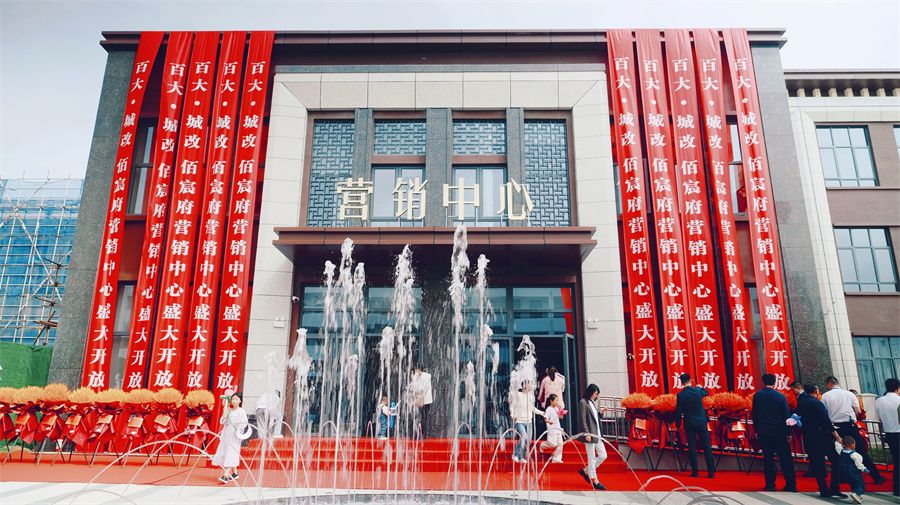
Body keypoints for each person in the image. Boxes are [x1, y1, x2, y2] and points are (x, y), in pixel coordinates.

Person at [822, 376, 885, 484]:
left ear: (829, 384)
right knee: (861, 451)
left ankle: (841, 478)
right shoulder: (849, 394)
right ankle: (876, 476)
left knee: (838, 452)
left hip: (835, 427)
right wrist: (852, 417)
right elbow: (858, 410)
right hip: (850, 425)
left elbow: (825, 413)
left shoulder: (825, 396)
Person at [792, 381, 843, 498]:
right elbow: (826, 421)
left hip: (809, 435)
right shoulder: (817, 403)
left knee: (817, 463)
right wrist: (836, 436)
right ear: (816, 391)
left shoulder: (801, 403)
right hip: (822, 435)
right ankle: (834, 487)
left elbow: (796, 417)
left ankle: (823, 489)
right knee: (836, 460)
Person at [751, 374, 797, 491]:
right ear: (775, 382)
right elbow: (786, 415)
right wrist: (789, 432)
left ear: (763, 382)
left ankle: (770, 485)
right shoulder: (780, 396)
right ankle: (791, 484)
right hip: (780, 431)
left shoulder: (757, 396)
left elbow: (755, 415)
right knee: (785, 459)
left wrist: (757, 430)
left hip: (764, 431)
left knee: (768, 459)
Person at [675, 373, 714, 478]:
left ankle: (695, 472)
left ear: (681, 383)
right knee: (706, 446)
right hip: (701, 422)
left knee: (692, 447)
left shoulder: (681, 395)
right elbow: (706, 392)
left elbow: (679, 412)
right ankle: (711, 472)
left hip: (689, 423)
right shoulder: (697, 390)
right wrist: (700, 387)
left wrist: (677, 424)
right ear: (691, 380)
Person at [212, 391, 250, 484]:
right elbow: (223, 422)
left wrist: (237, 425)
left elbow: (244, 423)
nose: (234, 401)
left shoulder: (241, 411)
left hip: (235, 435)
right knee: (228, 451)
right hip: (227, 433)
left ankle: (226, 475)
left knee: (231, 452)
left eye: (236, 399)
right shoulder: (229, 410)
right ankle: (235, 473)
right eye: (233, 399)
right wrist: (225, 413)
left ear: (240, 401)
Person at [576, 384, 606, 490]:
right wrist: (586, 433)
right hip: (589, 434)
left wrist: (600, 413)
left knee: (603, 455)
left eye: (597, 394)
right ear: (590, 392)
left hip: (597, 434)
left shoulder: (592, 402)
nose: (596, 396)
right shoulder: (583, 402)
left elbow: (594, 417)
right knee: (591, 457)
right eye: (595, 393)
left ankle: (586, 470)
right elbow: (583, 419)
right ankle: (595, 480)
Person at [874, 377, 900, 496]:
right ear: (897, 388)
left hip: (889, 433)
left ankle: (897, 487)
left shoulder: (879, 401)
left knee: (896, 460)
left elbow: (878, 418)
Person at [509, 379, 543, 463]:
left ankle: (521, 457)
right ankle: (516, 454)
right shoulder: (518, 395)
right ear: (524, 386)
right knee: (523, 436)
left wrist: (542, 413)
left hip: (529, 422)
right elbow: (512, 405)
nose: (530, 386)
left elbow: (532, 408)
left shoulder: (530, 396)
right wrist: (512, 414)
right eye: (528, 385)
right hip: (520, 421)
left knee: (528, 440)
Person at [840, 435, 869, 503]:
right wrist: (864, 469)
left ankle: (855, 494)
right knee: (859, 484)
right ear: (852, 444)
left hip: (845, 472)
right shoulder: (855, 455)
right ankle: (856, 494)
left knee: (853, 484)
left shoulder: (842, 452)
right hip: (854, 473)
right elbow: (859, 464)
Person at [411, 365, 434, 438]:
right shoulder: (419, 376)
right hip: (421, 400)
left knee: (422, 417)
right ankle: (419, 434)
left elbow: (422, 389)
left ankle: (421, 434)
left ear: (418, 369)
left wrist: (420, 399)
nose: (415, 372)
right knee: (420, 417)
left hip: (424, 401)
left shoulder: (425, 376)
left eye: (415, 370)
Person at [541, 394, 564, 463]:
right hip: (552, 429)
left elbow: (561, 417)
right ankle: (542, 445)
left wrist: (561, 412)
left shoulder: (556, 408)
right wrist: (549, 421)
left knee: (560, 444)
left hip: (558, 428)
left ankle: (556, 458)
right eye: (556, 400)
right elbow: (545, 419)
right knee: (553, 444)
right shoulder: (548, 409)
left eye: (557, 400)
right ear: (551, 401)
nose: (557, 402)